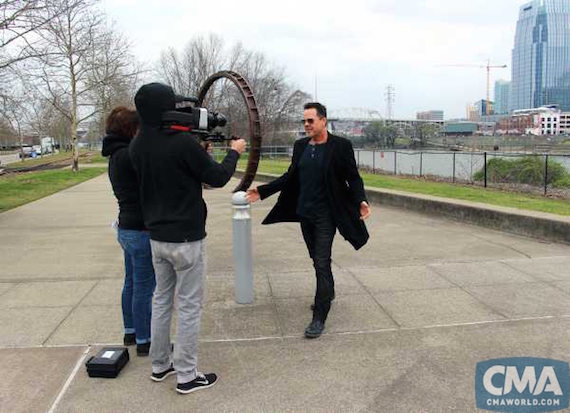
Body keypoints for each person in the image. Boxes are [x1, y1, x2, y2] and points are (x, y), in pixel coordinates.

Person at [129, 83, 246, 394]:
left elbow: (177, 174)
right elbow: (218, 178)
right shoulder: (182, 143)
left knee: (162, 300)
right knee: (190, 305)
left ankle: (159, 365)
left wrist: (199, 155)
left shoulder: (137, 145)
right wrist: (234, 153)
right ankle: (186, 376)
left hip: (157, 237)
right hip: (187, 239)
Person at [246, 102, 371, 339]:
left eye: (310, 120)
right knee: (316, 259)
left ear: (324, 120)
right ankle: (329, 290)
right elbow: (290, 177)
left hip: (327, 215)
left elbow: (353, 178)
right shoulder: (300, 146)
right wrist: (263, 191)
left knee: (322, 261)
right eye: (304, 121)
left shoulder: (340, 146)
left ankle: (319, 316)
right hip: (305, 213)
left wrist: (360, 201)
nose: (306, 125)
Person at [101, 106, 155, 356]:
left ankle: (131, 331)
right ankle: (145, 340)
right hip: (141, 230)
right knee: (144, 287)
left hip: (127, 228)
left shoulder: (116, 154)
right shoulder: (129, 155)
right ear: (132, 129)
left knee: (131, 283)